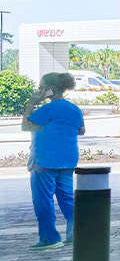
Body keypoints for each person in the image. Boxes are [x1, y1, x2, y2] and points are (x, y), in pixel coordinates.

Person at [23, 72, 84, 251]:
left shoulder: (45, 110)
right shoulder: (74, 109)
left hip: (44, 160)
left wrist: (31, 104)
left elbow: (25, 125)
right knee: (67, 198)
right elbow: (81, 130)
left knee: (43, 200)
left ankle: (50, 239)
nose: (40, 90)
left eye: (42, 87)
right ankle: (75, 235)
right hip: (68, 159)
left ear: (50, 89)